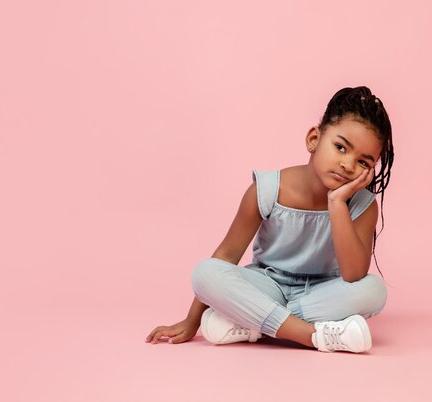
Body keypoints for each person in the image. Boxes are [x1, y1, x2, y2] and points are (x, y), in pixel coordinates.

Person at [145, 86, 394, 353]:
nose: (348, 164)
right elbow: (226, 255)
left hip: (322, 291)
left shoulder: (363, 206)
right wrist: (192, 321)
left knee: (374, 290)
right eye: (340, 147)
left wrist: (337, 203)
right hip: (269, 284)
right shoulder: (267, 189)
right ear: (313, 139)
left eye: (364, 163)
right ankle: (312, 335)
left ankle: (255, 323)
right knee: (205, 273)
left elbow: (354, 274)